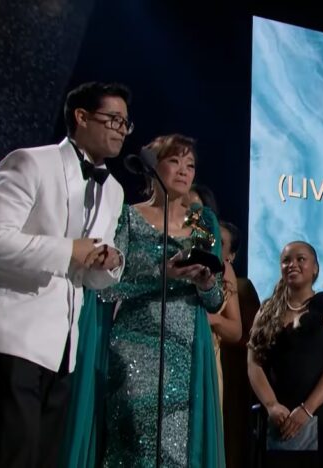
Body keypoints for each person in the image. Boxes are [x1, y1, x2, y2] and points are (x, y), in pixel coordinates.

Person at [0, 81, 129, 467]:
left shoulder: (114, 190)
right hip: (11, 332)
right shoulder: (30, 162)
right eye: (113, 119)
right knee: (13, 455)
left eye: (125, 123)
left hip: (63, 346)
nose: (121, 129)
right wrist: (70, 250)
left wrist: (109, 264)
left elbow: (87, 275)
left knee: (44, 457)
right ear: (81, 117)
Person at [100, 133, 241, 467]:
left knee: (178, 447)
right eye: (174, 161)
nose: (183, 171)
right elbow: (107, 288)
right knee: (135, 435)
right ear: (153, 167)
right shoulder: (128, 215)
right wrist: (163, 274)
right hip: (135, 345)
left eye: (190, 165)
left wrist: (206, 281)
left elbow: (215, 299)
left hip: (186, 347)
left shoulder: (202, 221)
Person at [248, 240, 323, 468]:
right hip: (280, 420)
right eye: (286, 260)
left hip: (322, 415)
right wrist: (272, 405)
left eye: (300, 259)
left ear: (315, 268)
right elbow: (254, 364)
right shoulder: (266, 310)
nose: (292, 264)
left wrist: (307, 409)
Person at [218, 221, 261, 468]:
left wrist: (216, 326)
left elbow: (252, 340)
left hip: (230, 377)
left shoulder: (241, 287)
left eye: (221, 244)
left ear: (232, 255)